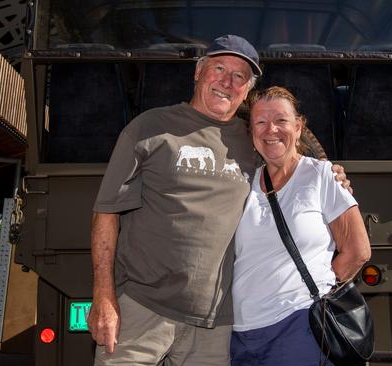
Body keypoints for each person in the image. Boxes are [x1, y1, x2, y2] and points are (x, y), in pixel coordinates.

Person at [89, 35, 349, 366]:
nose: (227, 81)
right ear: (198, 72)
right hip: (141, 311)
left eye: (239, 75)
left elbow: (294, 164)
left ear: (246, 89)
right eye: (219, 68)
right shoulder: (149, 128)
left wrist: (331, 174)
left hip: (215, 328)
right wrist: (104, 298)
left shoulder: (253, 140)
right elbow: (105, 214)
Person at [230, 86, 371, 365]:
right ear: (252, 131)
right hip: (242, 333)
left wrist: (318, 291)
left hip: (300, 326)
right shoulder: (243, 182)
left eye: (281, 120)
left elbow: (358, 251)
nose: (271, 129)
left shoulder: (321, 175)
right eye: (260, 122)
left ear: (298, 126)